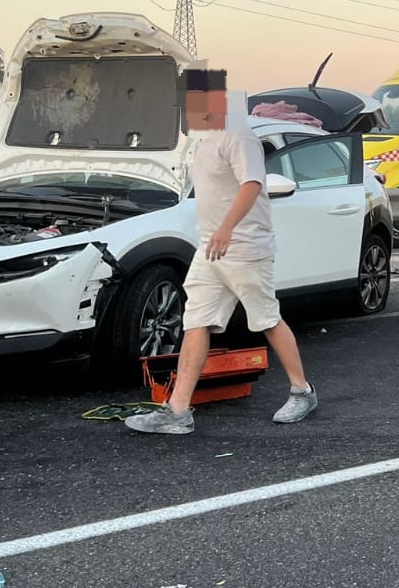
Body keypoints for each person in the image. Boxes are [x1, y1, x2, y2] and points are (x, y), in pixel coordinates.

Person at [126, 72, 316, 434]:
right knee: (196, 321)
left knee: (266, 319)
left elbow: (252, 184)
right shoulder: (203, 139)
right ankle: (178, 411)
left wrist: (228, 229)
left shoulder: (238, 135)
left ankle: (302, 391)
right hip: (212, 249)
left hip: (245, 247)